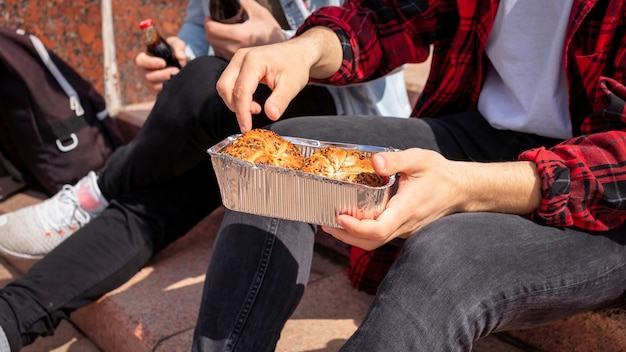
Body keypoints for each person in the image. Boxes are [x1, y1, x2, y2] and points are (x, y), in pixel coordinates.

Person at [189, 0, 626, 351]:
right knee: (276, 159)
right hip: (483, 132)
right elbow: (389, 16)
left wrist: (464, 187)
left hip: (605, 199)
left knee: (449, 258)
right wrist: (306, 48)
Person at [0, 0, 411, 350]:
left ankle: (100, 189)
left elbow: (392, 38)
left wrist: (286, 40)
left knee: (200, 88)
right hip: (243, 113)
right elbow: (200, 33)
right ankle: (10, 317)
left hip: (346, 125)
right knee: (159, 185)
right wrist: (179, 53)